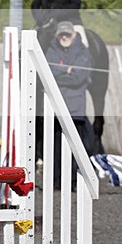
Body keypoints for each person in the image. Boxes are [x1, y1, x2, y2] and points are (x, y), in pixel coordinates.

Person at [45, 21, 94, 188]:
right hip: (56, 107)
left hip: (75, 109)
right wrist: (67, 70)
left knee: (76, 147)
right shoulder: (51, 50)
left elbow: (79, 78)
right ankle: (57, 180)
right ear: (57, 35)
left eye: (67, 34)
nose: (64, 37)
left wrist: (60, 72)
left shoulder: (83, 52)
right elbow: (47, 74)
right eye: (61, 34)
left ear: (73, 34)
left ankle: (74, 180)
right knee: (56, 146)